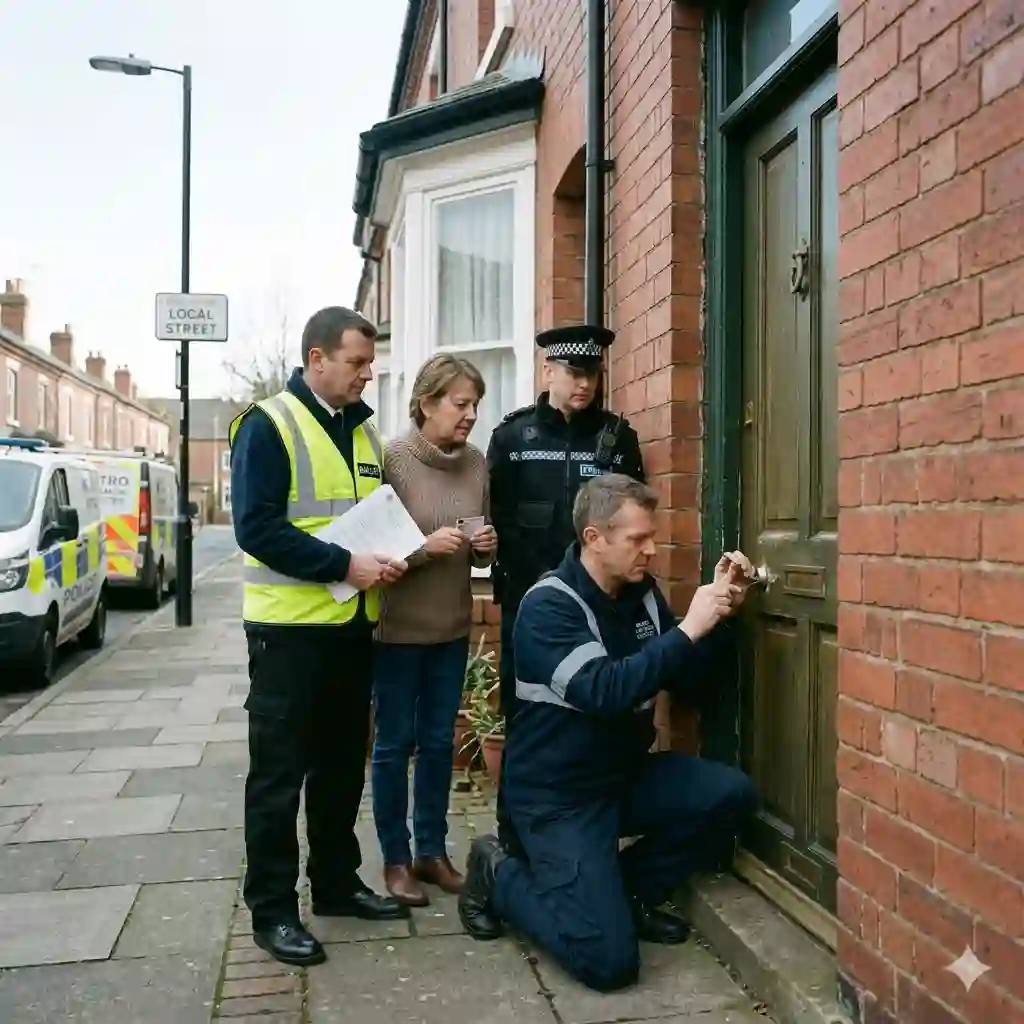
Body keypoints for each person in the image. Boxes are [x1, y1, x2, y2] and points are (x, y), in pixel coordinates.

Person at [456, 474, 760, 992]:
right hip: (557, 798)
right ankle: (498, 872)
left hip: (622, 779)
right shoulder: (549, 606)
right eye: (638, 539)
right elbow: (604, 691)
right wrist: (690, 627)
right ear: (594, 538)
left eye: (652, 537)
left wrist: (720, 616)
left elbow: (685, 679)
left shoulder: (643, 596)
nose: (652, 550)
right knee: (607, 962)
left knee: (731, 796)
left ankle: (626, 895)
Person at [229, 306, 411, 968]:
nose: (367, 373)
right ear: (317, 359)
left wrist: (386, 557)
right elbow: (256, 528)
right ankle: (272, 911)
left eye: (369, 363)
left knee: (338, 770)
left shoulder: (362, 432)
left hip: (351, 631)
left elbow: (364, 519)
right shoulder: (268, 424)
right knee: (278, 778)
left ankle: (335, 884)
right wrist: (344, 566)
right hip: (287, 636)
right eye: (357, 362)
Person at [371, 354, 497, 906]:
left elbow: (480, 548)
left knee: (440, 742)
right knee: (394, 744)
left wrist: (486, 548)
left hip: (451, 627)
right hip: (397, 631)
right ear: (426, 403)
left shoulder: (476, 463)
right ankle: (395, 860)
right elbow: (372, 550)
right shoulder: (392, 459)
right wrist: (423, 549)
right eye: (460, 403)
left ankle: (431, 852)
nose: (470, 415)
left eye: (475, 405)